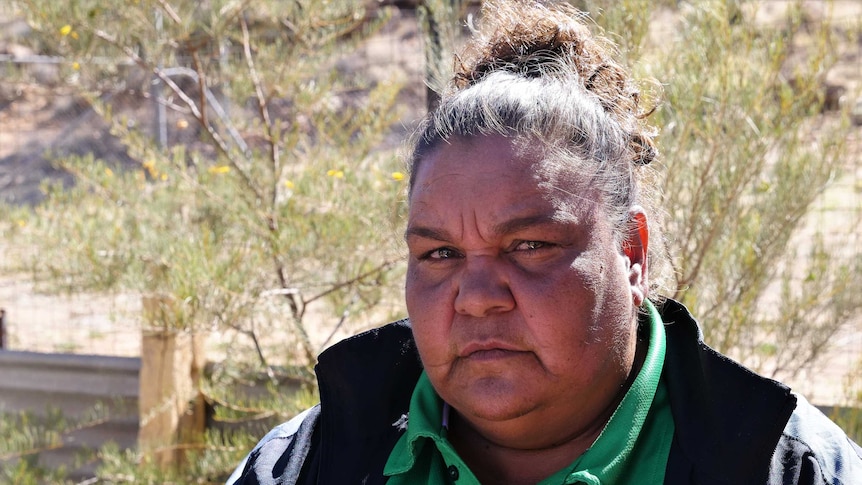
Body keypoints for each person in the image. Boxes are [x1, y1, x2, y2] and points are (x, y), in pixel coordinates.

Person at [227, 2, 862, 484]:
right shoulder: (305, 464)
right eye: (439, 254)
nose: (475, 298)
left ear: (631, 255)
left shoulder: (790, 467)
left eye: (529, 245)